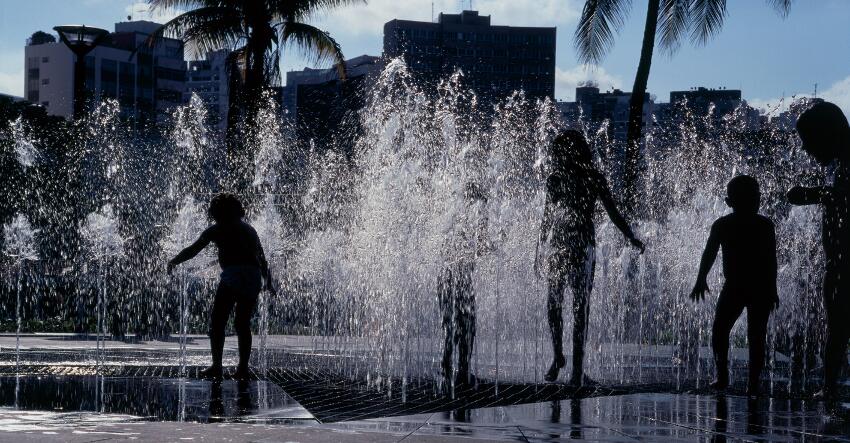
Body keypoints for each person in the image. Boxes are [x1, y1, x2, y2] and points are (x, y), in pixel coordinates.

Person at [536, 130, 645, 385]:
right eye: (558, 152)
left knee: (579, 309)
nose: (559, 156)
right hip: (559, 248)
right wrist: (539, 251)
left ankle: (576, 369)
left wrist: (630, 236)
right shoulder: (555, 179)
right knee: (554, 305)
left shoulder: (594, 178)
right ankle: (559, 356)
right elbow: (547, 218)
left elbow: (612, 212)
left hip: (583, 248)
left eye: (562, 151)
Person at [167, 193, 274, 379]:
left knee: (218, 321)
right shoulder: (249, 229)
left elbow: (193, 250)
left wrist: (174, 261)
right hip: (253, 276)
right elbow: (262, 258)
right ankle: (242, 368)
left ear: (217, 212)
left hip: (233, 275)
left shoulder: (217, 229)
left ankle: (217, 366)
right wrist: (268, 282)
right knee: (242, 323)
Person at [690, 175, 778, 396]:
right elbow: (709, 253)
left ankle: (742, 380)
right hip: (740, 286)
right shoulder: (725, 225)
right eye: (749, 198)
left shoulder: (763, 225)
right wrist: (701, 278)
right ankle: (733, 378)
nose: (754, 202)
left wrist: (773, 288)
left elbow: (770, 259)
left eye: (755, 197)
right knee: (730, 331)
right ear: (730, 202)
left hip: (753, 287)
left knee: (745, 333)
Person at [786, 101, 850, 401]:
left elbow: (844, 195)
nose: (806, 151)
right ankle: (830, 388)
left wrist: (813, 194)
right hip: (836, 262)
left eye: (809, 142)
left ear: (829, 134)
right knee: (836, 327)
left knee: (838, 326)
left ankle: (830, 389)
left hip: (845, 264)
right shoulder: (839, 164)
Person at [439, 181, 488, 388]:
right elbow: (482, 247)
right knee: (466, 324)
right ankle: (461, 369)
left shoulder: (454, 218)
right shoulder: (473, 218)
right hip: (459, 279)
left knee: (453, 325)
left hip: (444, 278)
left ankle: (448, 365)